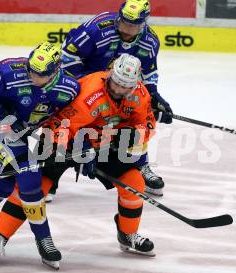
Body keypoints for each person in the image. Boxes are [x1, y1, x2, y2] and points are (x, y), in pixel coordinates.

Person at [0, 54, 157, 263]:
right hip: (60, 139)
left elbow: (146, 124)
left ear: (135, 85)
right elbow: (58, 126)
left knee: (134, 182)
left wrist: (125, 139)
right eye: (116, 83)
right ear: (110, 75)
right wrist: (81, 148)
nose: (119, 90)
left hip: (102, 142)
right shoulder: (91, 93)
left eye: (125, 87)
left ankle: (127, 235)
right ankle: (0, 235)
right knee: (34, 188)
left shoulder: (140, 95)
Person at [0, 42, 80, 269]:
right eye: (31, 69)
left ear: (55, 71)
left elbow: (68, 118)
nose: (32, 76)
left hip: (18, 137)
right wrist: (5, 117)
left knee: (4, 184)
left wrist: (75, 144)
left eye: (40, 74)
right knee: (30, 179)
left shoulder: (69, 88)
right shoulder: (10, 71)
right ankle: (43, 239)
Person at [47, 0, 172, 199]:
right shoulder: (96, 28)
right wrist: (87, 86)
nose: (127, 29)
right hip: (85, 83)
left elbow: (148, 73)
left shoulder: (150, 41)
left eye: (134, 25)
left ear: (144, 23)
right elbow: (67, 56)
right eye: (124, 23)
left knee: (136, 119)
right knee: (67, 121)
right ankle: (50, 175)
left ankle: (140, 165)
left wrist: (154, 96)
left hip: (119, 87)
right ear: (119, 16)